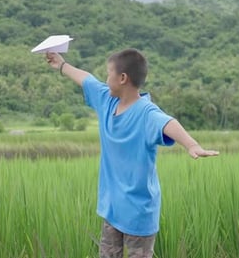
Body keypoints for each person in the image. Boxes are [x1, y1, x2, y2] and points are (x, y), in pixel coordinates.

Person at [45, 48, 219, 258]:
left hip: (139, 210)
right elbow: (86, 79)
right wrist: (62, 65)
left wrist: (191, 145)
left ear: (122, 78)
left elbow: (168, 122)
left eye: (109, 74)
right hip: (112, 208)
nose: (106, 78)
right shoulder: (107, 101)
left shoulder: (146, 112)